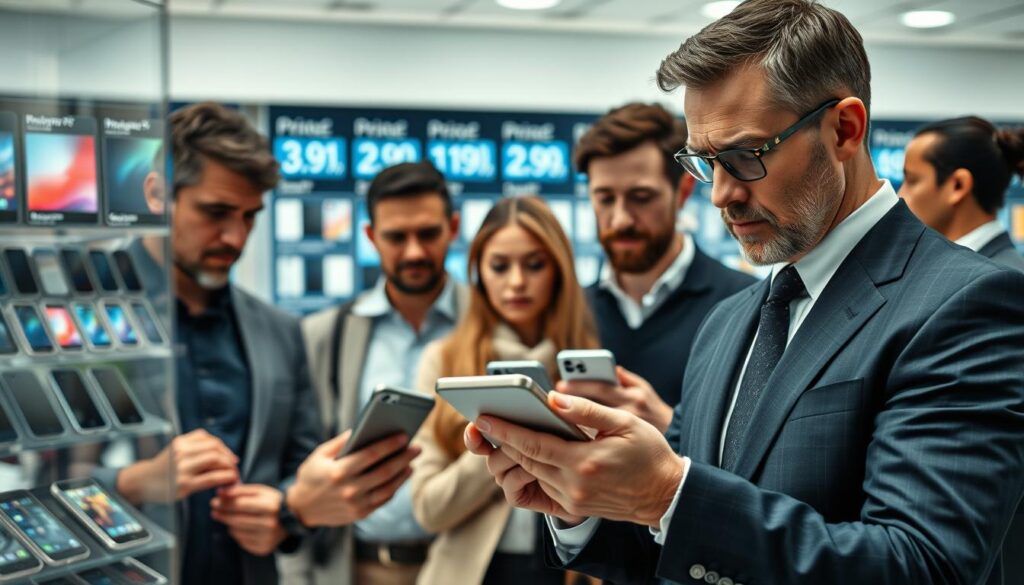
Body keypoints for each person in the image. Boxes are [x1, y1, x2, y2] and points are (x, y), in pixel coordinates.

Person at [464, 1, 1024, 584]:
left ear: (844, 130)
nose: (720, 194)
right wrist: (580, 501)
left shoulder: (965, 304)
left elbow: (923, 566)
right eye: (705, 162)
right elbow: (677, 548)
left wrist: (666, 492)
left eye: (743, 157)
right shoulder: (729, 321)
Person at [105, 102, 322, 585]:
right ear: (157, 194)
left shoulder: (279, 330)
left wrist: (285, 514)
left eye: (250, 217)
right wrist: (134, 484)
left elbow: (302, 466)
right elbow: (25, 477)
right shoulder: (72, 316)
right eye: (216, 212)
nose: (236, 238)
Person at [277, 161, 467, 585]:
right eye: (396, 237)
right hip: (354, 568)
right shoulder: (325, 335)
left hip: (466, 568)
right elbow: (302, 466)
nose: (414, 252)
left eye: (428, 233)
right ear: (370, 236)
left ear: (453, 228)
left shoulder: (487, 326)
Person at [411, 195, 599, 585]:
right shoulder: (444, 359)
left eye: (534, 264)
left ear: (559, 270)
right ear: (479, 272)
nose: (516, 282)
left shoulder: (587, 364)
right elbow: (429, 508)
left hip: (567, 571)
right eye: (499, 266)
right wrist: (504, 439)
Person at [566, 102, 755, 432]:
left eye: (641, 197)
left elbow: (757, 452)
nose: (621, 220)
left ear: (683, 191)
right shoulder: (570, 309)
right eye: (605, 198)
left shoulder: (746, 304)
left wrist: (669, 426)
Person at [900, 116, 1024, 271]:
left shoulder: (1003, 279)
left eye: (912, 181)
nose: (900, 196)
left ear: (958, 186)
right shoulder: (950, 266)